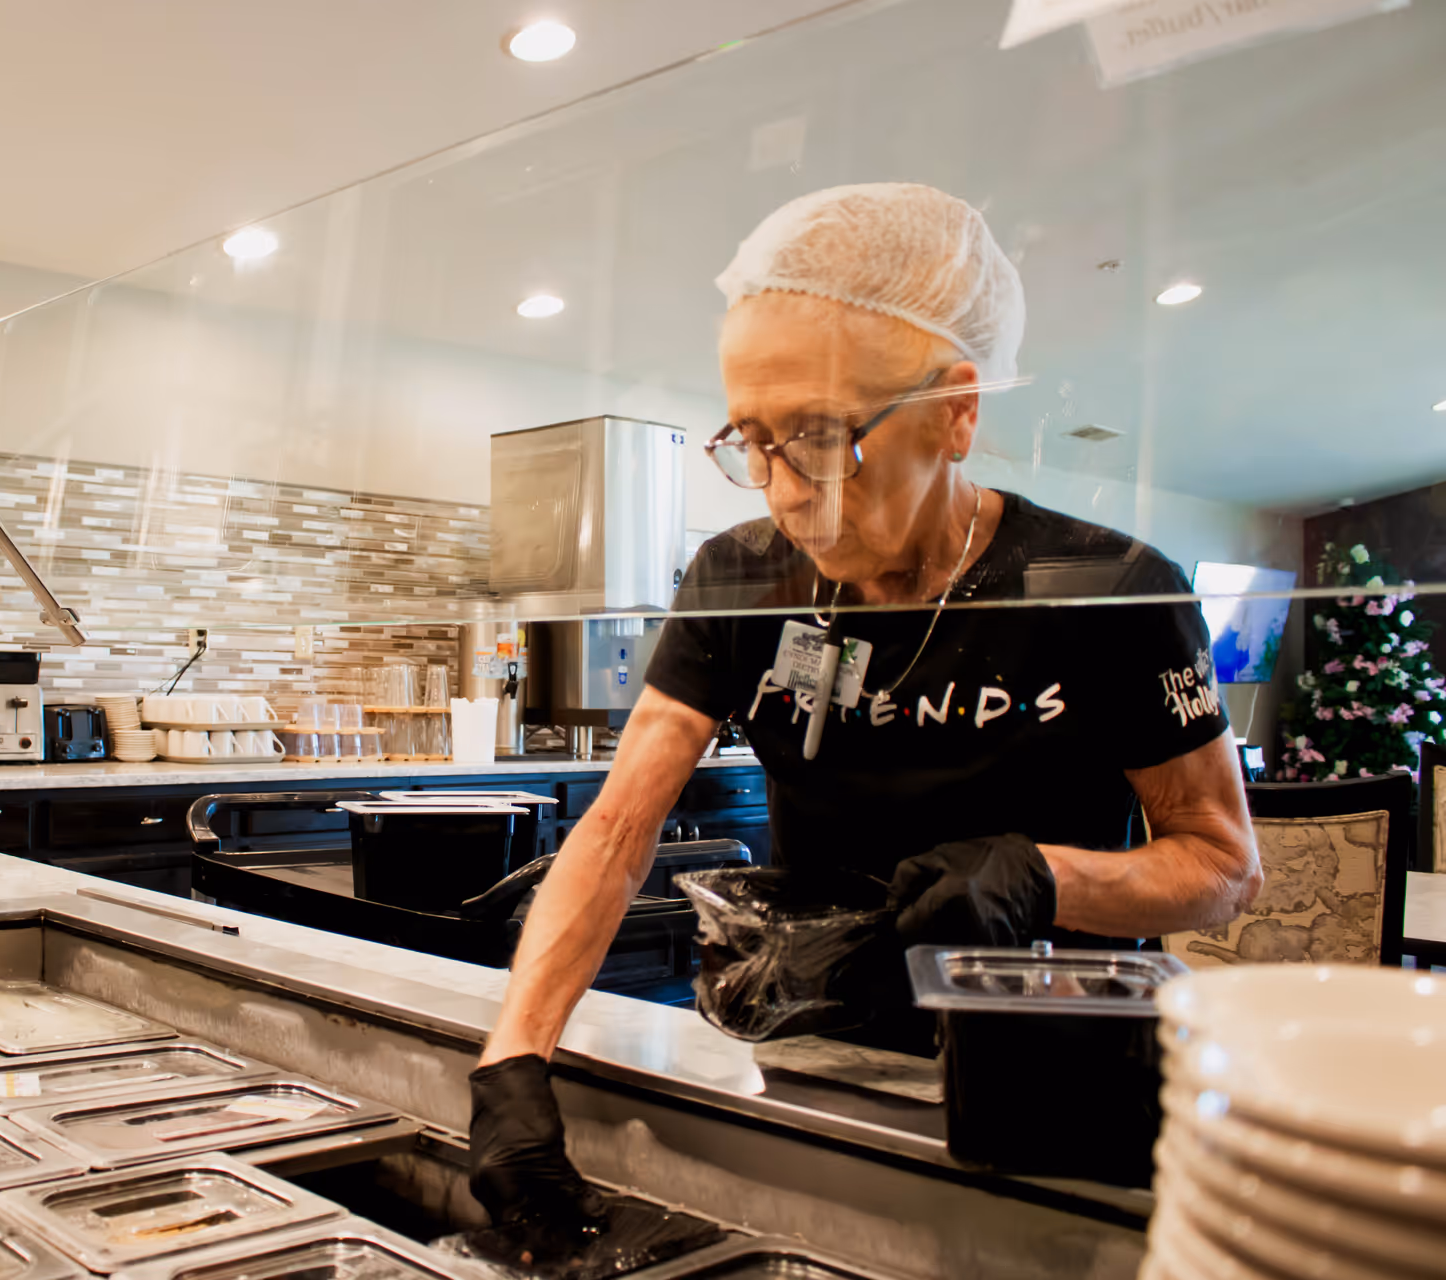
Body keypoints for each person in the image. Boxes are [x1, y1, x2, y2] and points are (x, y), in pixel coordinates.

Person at [466, 182, 1262, 1230]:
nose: (785, 488)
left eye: (820, 433)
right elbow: (617, 826)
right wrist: (514, 1054)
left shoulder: (1106, 586)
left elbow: (1220, 864)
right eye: (751, 436)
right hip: (816, 1047)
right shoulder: (743, 576)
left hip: (1052, 1065)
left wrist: (1040, 876)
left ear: (957, 410)